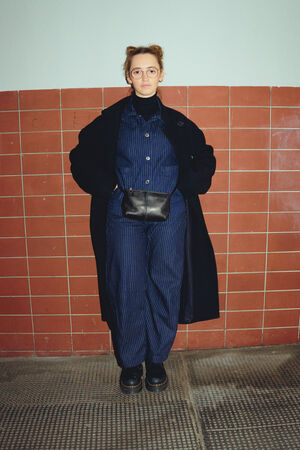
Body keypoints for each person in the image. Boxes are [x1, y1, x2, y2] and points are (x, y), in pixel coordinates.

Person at [69, 45, 219, 395]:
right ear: (128, 76)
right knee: (127, 285)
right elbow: (80, 157)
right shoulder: (111, 122)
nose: (145, 77)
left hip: (170, 217)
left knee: (165, 285)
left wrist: (185, 185)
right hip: (124, 217)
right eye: (137, 71)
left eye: (151, 70)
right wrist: (110, 186)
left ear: (161, 74)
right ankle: (132, 362)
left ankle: (156, 360)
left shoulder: (179, 124)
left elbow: (205, 157)